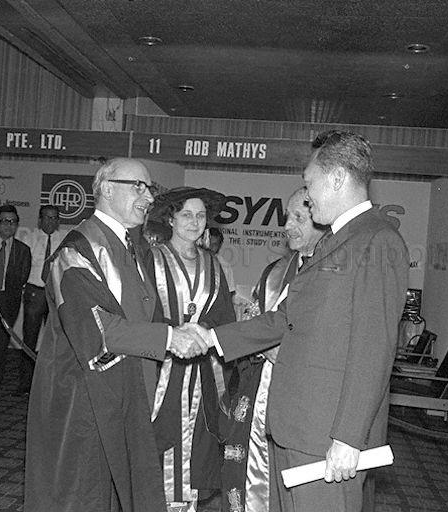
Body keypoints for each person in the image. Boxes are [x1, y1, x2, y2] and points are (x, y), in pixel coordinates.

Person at [185, 130, 409, 512]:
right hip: (296, 428)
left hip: (328, 437)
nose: (307, 195)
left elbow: (375, 347)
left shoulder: (377, 240)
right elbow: (287, 320)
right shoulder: (334, 241)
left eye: (310, 184)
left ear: (337, 178)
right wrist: (211, 337)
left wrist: (349, 438)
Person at [24, 158, 209, 512]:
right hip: (84, 398)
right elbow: (98, 329)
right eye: (137, 186)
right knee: (84, 494)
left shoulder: (133, 247)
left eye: (149, 188)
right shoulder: (75, 253)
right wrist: (171, 338)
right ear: (107, 190)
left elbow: (143, 312)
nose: (147, 196)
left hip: (126, 394)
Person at [220, 186, 326, 512]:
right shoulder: (275, 272)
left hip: (306, 406)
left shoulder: (336, 274)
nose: (287, 226)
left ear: (322, 220)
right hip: (261, 390)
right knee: (250, 476)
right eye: (286, 217)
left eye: (298, 218)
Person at [145, 187, 234, 510]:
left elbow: (224, 316)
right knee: (158, 439)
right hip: (161, 369)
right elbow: (142, 314)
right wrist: (172, 334)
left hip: (202, 372)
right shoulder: (150, 260)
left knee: (198, 442)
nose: (195, 222)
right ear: (170, 218)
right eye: (186, 215)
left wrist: (204, 334)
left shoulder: (214, 264)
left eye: (200, 216)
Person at [18, 204, 67, 395]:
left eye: (54, 217)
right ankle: (25, 383)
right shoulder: (28, 239)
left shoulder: (65, 240)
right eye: (47, 217)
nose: (51, 221)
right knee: (29, 337)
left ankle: (52, 382)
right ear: (40, 219)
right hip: (34, 292)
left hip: (56, 293)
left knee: (55, 340)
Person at [0, 204, 31, 403]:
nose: (8, 226)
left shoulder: (23, 250)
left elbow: (21, 278)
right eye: (4, 221)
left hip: (6, 303)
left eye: (12, 222)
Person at [207, 226, 236, 297]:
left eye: (214, 244)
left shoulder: (224, 266)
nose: (210, 247)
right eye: (209, 243)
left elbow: (230, 292)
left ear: (220, 245)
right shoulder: (192, 261)